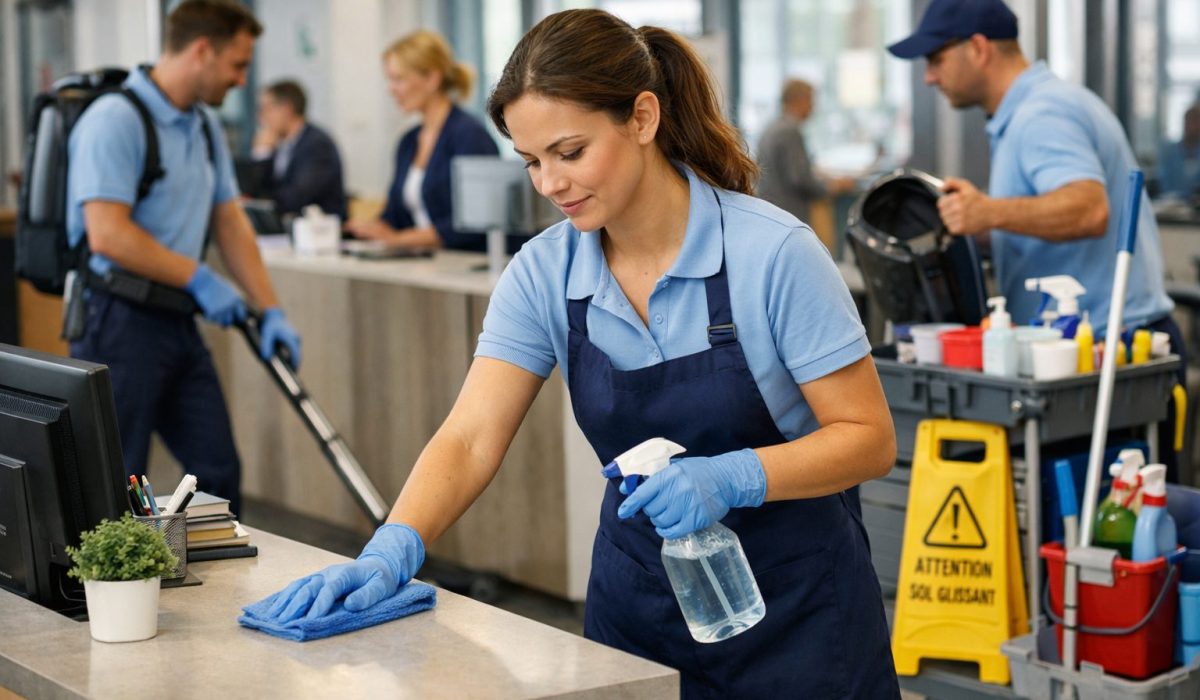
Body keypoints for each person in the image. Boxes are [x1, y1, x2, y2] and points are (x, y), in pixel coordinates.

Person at [264, 9, 899, 698]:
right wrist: (394, 544)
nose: (549, 184)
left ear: (644, 118)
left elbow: (867, 440)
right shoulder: (544, 273)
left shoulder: (772, 255)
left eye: (570, 152)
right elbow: (472, 437)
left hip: (799, 621)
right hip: (638, 614)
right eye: (532, 161)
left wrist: (732, 477)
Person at [889, 0, 1185, 477]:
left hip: (1109, 356)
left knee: (1117, 530)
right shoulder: (1027, 113)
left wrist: (988, 210)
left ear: (979, 48)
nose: (929, 77)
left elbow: (1089, 208)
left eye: (936, 58)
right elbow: (1047, 221)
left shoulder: (1042, 113)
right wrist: (983, 229)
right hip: (1086, 355)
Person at [66, 0, 301, 516]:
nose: (242, 80)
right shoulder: (115, 120)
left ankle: (214, 595)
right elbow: (106, 234)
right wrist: (199, 277)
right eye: (238, 64)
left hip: (176, 321)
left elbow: (229, 221)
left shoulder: (203, 127)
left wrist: (270, 308)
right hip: (117, 320)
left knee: (215, 474)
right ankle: (106, 597)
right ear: (201, 52)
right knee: (116, 479)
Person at [343, 30, 499, 251]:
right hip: (426, 266)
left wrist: (398, 239)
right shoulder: (408, 141)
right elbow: (394, 215)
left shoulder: (469, 135)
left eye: (398, 79)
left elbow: (475, 221)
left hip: (468, 264)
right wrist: (369, 228)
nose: (391, 90)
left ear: (431, 79)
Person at [756, 78, 855, 223]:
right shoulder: (789, 132)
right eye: (811, 100)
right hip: (789, 213)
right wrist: (831, 187)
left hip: (772, 211)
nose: (813, 107)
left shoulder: (772, 127)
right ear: (798, 100)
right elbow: (800, 179)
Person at [248, 79, 347, 221]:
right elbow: (257, 193)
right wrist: (262, 154)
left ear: (286, 109)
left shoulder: (317, 145)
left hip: (318, 235)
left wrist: (267, 202)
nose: (261, 117)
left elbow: (295, 200)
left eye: (266, 109)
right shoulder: (280, 145)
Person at [1158, 104, 1200, 199]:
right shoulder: (1169, 152)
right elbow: (1165, 185)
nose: (1194, 127)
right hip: (1173, 206)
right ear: (1185, 123)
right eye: (1191, 122)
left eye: (1197, 123)